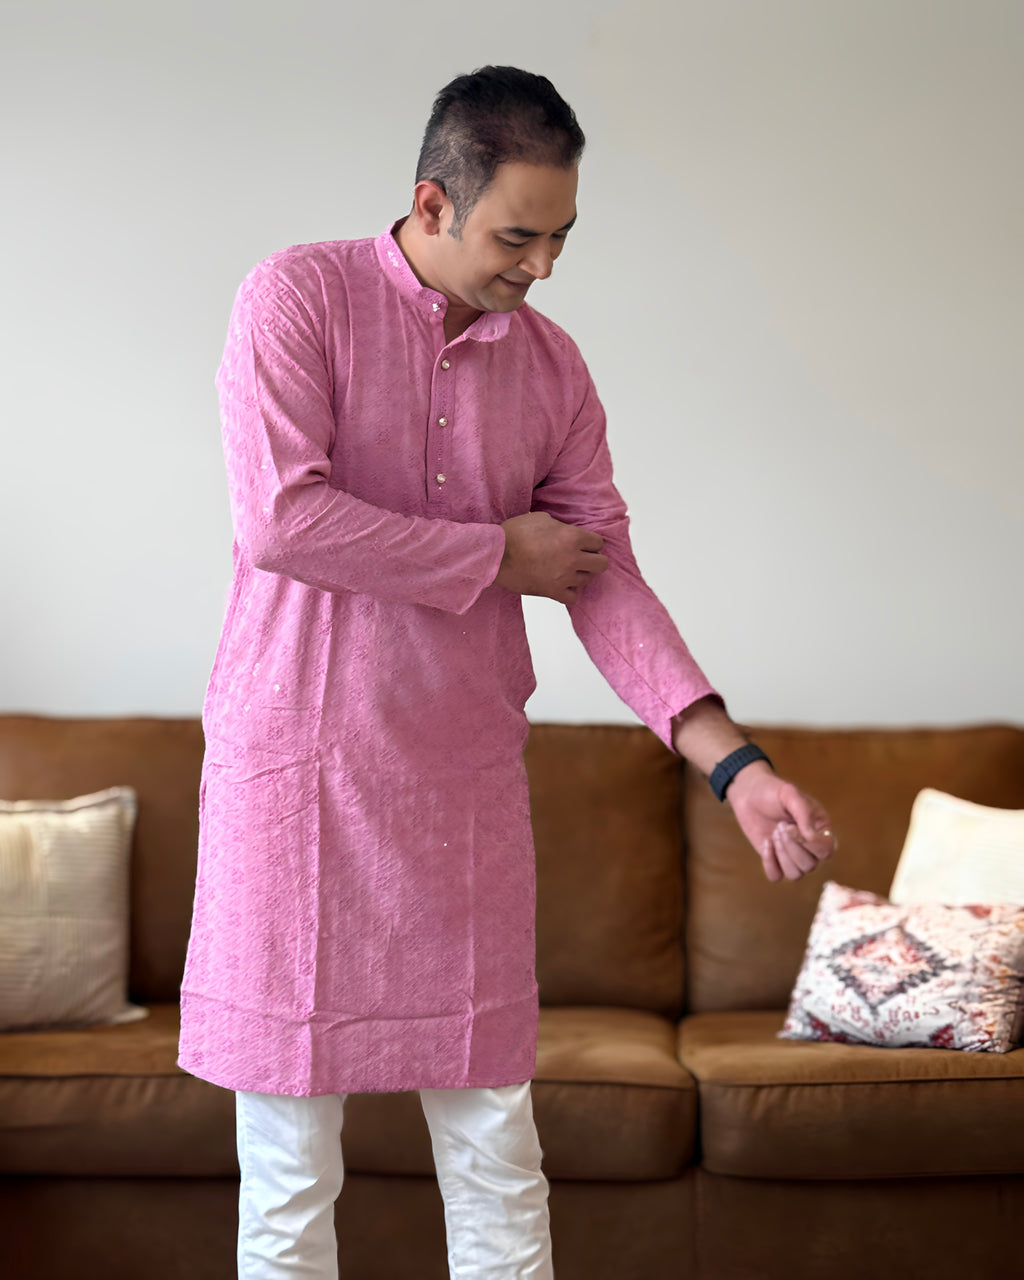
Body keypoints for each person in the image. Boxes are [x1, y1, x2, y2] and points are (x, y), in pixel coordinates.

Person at [179, 65, 835, 1280]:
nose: (541, 267)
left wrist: (728, 759)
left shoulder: (550, 366)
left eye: (561, 237)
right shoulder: (297, 298)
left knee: (495, 1150)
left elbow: (602, 572)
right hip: (298, 785)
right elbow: (281, 520)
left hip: (456, 795)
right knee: (288, 1170)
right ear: (432, 204)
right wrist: (495, 552)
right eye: (516, 237)